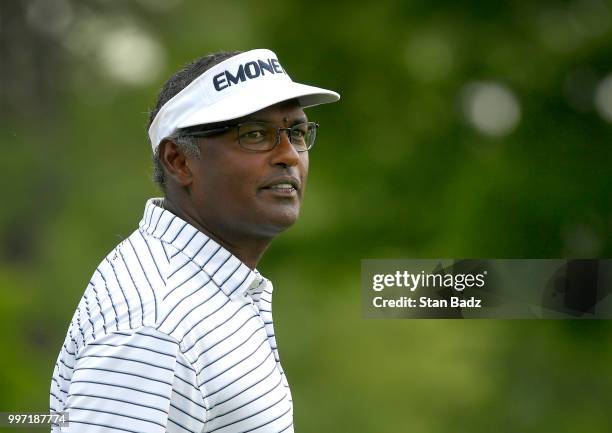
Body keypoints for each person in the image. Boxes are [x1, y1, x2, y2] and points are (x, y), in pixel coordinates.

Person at [50, 48, 339, 433]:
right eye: (255, 135)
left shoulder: (209, 286)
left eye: (297, 133)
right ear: (179, 161)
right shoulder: (152, 324)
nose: (289, 155)